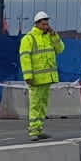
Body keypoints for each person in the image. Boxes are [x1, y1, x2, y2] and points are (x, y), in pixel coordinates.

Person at [18, 11, 65, 141]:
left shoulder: (49, 37)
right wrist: (28, 76)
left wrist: (54, 35)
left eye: (47, 24)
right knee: (35, 104)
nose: (46, 26)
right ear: (37, 24)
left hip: (47, 78)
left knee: (43, 104)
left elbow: (60, 49)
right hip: (36, 79)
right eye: (44, 24)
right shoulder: (29, 38)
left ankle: (39, 129)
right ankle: (33, 130)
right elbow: (25, 58)